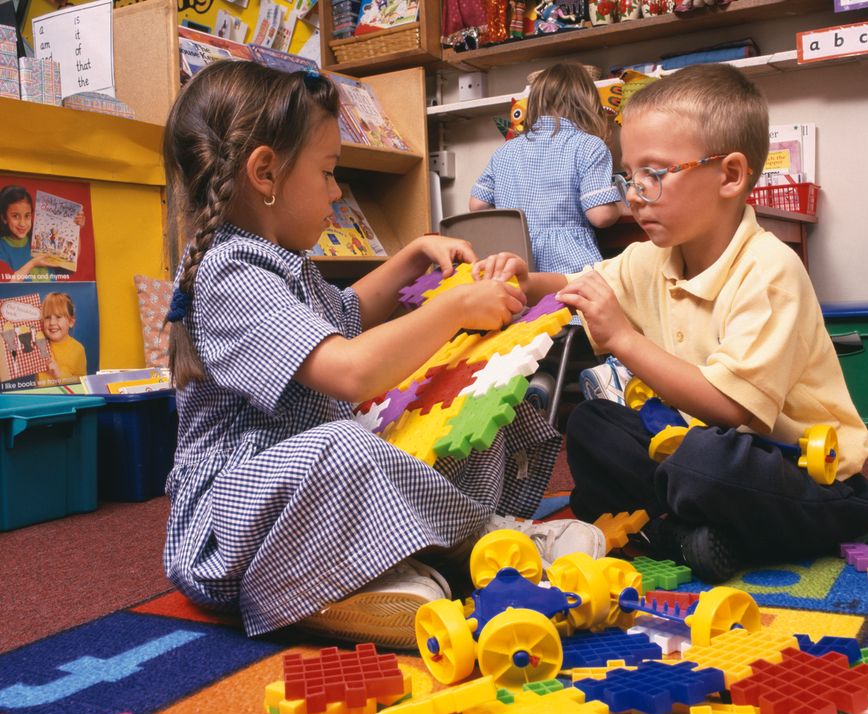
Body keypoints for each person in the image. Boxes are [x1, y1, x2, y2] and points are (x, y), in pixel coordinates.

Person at [160, 60, 604, 648]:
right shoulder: (229, 273)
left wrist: (413, 256)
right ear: (265, 173)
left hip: (308, 504)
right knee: (345, 444)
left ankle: (396, 567)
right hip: (233, 525)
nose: (335, 191)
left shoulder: (279, 262)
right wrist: (454, 309)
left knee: (462, 406)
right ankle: (471, 543)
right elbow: (350, 370)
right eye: (327, 172)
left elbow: (346, 316)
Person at [477, 63, 868, 584]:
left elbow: (730, 408)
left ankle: (669, 528)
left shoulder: (769, 270)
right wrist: (523, 280)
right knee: (591, 424)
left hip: (802, 470)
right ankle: (684, 532)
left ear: (730, 176)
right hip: (691, 447)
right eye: (628, 176)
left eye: (655, 174)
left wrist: (622, 338)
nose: (634, 194)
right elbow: (577, 283)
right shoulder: (651, 257)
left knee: (707, 461)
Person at [469, 62, 622, 275]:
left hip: (513, 263)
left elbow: (477, 205)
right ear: (588, 104)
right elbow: (601, 216)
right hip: (568, 265)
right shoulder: (589, 145)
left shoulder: (506, 150)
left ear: (534, 103)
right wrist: (619, 205)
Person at [0, 185, 84, 281]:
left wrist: (76, 229)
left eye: (27, 216)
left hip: (50, 291)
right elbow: (7, 284)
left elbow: (70, 260)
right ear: (4, 218)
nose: (22, 223)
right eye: (15, 216)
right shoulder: (2, 247)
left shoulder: (40, 240)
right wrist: (33, 263)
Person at [36, 292, 87, 387]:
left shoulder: (78, 349)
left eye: (58, 317)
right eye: (47, 317)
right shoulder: (38, 344)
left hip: (65, 394)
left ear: (71, 322)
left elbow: (81, 383)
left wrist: (59, 374)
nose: (52, 322)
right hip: (39, 394)